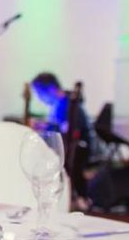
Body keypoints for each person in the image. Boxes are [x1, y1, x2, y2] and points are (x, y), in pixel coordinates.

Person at [31, 72, 96, 204]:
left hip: (77, 150)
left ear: (50, 89)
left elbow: (68, 131)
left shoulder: (67, 104)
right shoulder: (60, 104)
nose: (39, 98)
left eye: (39, 93)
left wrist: (45, 127)